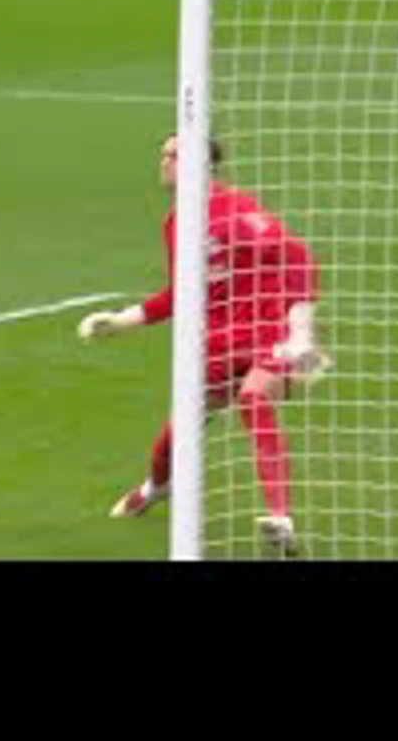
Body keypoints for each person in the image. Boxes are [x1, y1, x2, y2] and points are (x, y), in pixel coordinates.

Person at [76, 135, 328, 556]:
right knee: (172, 439)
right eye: (162, 154)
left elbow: (299, 256)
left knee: (252, 398)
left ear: (201, 165)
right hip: (217, 345)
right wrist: (120, 321)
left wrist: (302, 330)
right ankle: (155, 489)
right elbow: (180, 294)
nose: (163, 162)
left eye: (172, 155)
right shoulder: (176, 224)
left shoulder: (237, 211)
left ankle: (281, 519)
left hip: (267, 336)